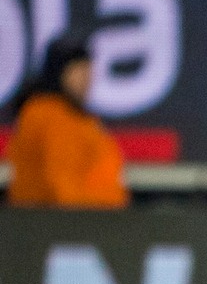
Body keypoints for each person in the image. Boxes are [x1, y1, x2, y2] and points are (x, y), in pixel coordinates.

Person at [5, 32, 128, 209]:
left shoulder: (77, 117)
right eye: (78, 69)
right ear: (59, 72)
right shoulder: (48, 113)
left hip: (93, 222)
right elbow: (63, 188)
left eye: (88, 68)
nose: (87, 77)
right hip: (61, 226)